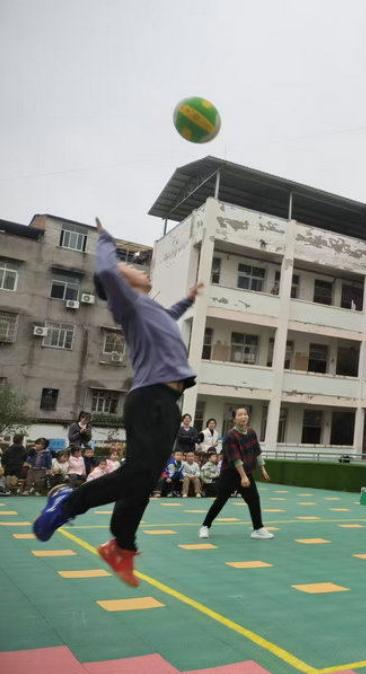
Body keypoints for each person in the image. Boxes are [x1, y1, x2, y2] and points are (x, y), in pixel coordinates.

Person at [32, 217, 201, 588]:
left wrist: (187, 300)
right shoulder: (125, 302)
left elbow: (169, 316)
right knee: (138, 474)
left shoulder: (149, 308)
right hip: (151, 397)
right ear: (123, 282)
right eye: (132, 267)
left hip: (169, 404)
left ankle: (121, 547)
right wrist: (107, 240)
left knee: (145, 480)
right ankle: (67, 504)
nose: (139, 270)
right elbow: (107, 269)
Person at [199, 407, 273, 540]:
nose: (243, 417)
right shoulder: (230, 436)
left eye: (245, 414)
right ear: (234, 419)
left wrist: (263, 468)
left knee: (254, 499)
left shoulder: (251, 432)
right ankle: (205, 526)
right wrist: (243, 476)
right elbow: (236, 459)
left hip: (246, 472)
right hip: (230, 473)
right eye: (240, 415)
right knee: (221, 500)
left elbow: (257, 451)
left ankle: (258, 528)